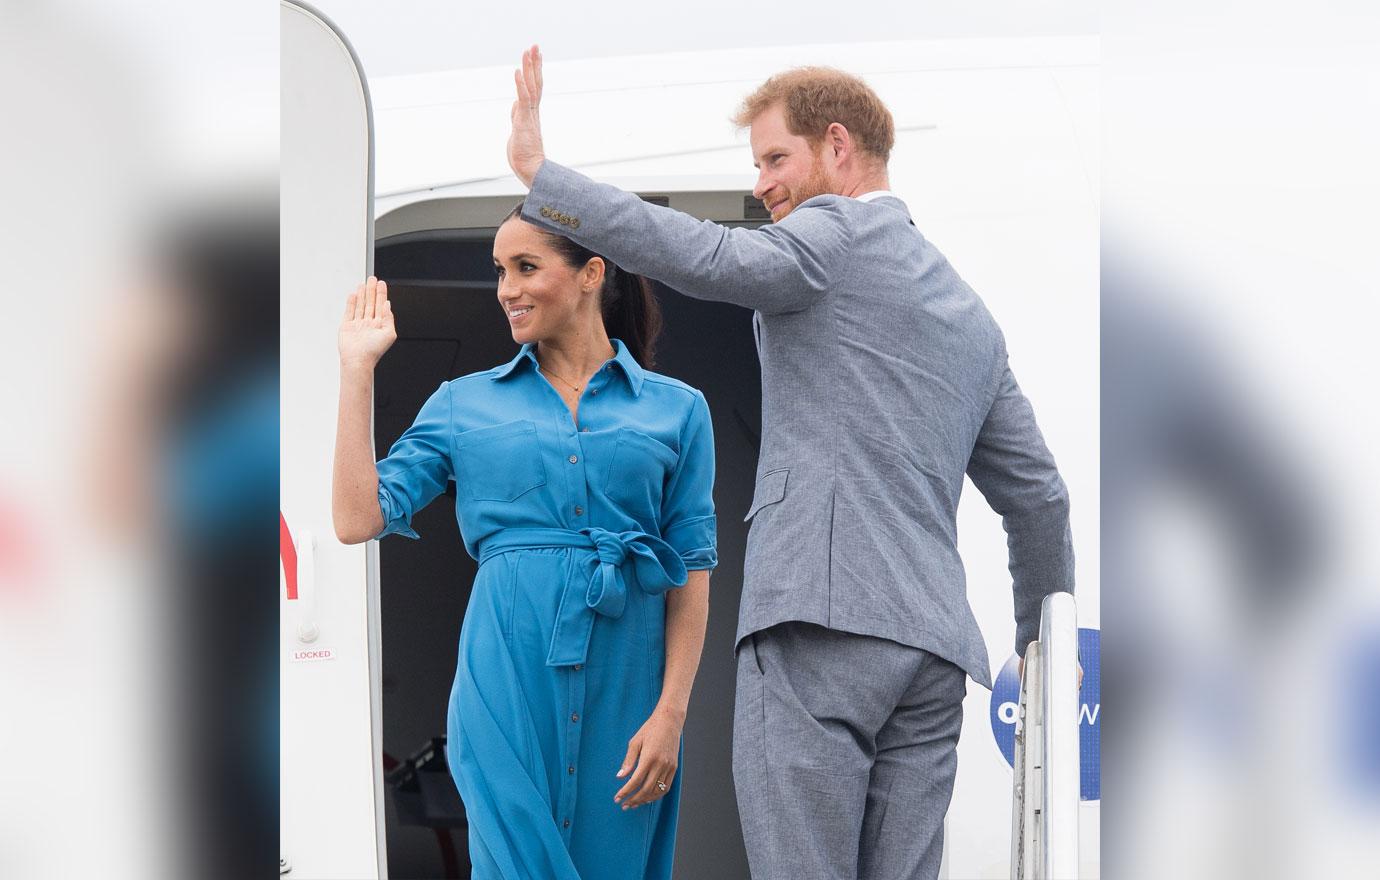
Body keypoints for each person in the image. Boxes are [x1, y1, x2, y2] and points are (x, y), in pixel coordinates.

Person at [506, 47, 1075, 880]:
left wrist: (541, 176)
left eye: (776, 158)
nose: (764, 184)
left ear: (838, 148)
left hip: (819, 628)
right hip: (932, 657)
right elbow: (1041, 500)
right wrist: (1037, 649)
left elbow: (702, 256)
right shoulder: (969, 314)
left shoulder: (832, 233)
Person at [330, 205, 718, 880]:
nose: (507, 288)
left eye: (526, 267)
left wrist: (671, 714)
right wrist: (357, 372)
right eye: (500, 271)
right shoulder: (462, 403)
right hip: (504, 676)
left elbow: (689, 568)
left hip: (629, 683)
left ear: (591, 273)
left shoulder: (678, 408)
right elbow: (356, 518)